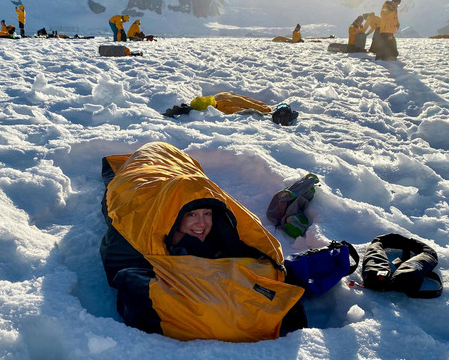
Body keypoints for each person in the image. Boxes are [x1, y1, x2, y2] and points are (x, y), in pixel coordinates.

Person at [100, 142, 307, 341]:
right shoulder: (140, 231)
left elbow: (252, 242)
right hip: (140, 179)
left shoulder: (218, 230)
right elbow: (121, 270)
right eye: (192, 215)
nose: (201, 223)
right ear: (174, 216)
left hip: (177, 164)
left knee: (194, 185)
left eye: (207, 213)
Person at [163, 92, 299, 126]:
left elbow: (247, 105)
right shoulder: (220, 96)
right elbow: (247, 102)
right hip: (262, 106)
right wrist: (266, 109)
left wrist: (265, 110)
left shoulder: (224, 105)